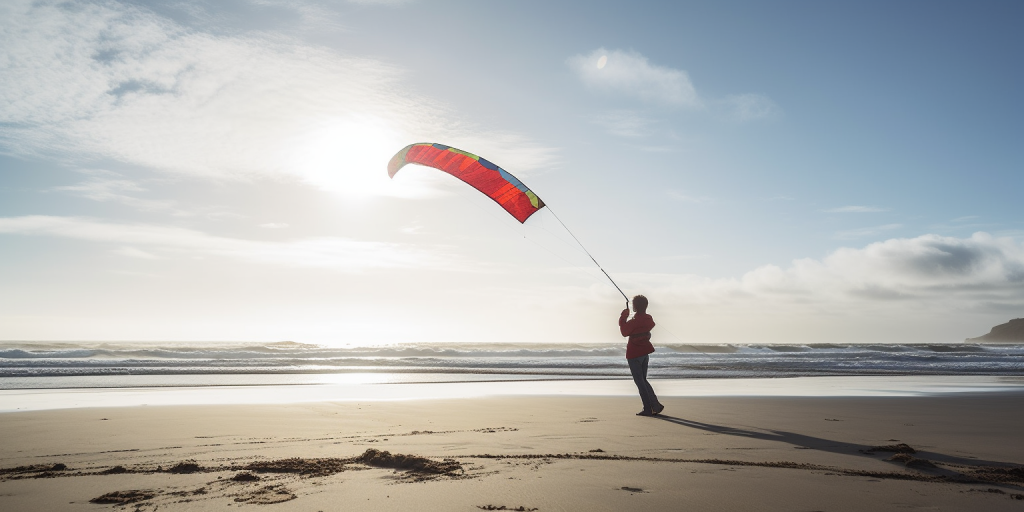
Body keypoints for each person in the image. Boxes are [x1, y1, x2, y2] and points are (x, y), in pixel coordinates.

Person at [619, 294, 664, 416]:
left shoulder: (634, 321)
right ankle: (655, 405)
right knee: (643, 380)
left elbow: (624, 332)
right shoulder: (648, 319)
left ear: (635, 306)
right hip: (644, 353)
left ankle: (648, 408)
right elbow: (648, 324)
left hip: (634, 354)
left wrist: (624, 317)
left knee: (640, 382)